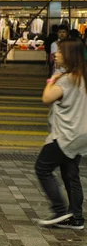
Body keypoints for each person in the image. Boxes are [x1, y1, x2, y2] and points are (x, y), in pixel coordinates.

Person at [35, 38, 87, 230]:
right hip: (80, 135)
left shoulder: (66, 79)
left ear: (69, 55)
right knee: (70, 173)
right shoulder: (83, 76)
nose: (55, 54)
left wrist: (51, 80)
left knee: (42, 168)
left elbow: (46, 97)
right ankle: (76, 217)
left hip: (66, 135)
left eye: (60, 51)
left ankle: (59, 210)